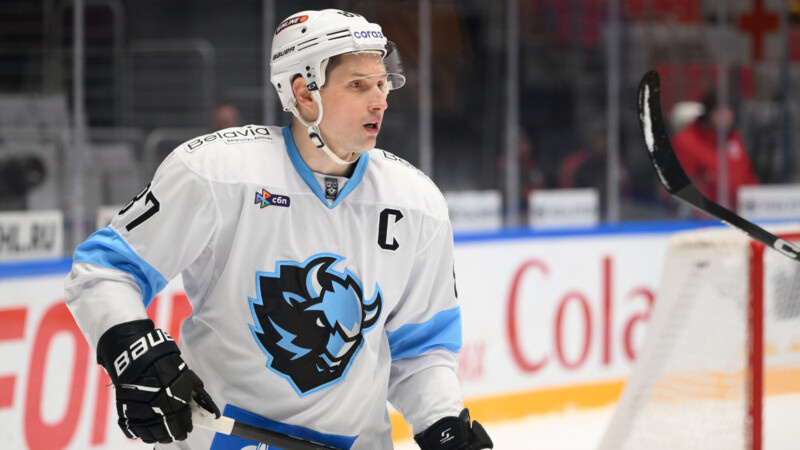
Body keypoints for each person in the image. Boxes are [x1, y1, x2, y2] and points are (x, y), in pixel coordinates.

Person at [64, 9, 492, 450]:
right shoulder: (217, 172)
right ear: (304, 92)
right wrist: (132, 351)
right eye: (358, 85)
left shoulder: (416, 203)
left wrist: (444, 425)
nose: (380, 101)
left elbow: (421, 349)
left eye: (382, 83)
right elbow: (104, 270)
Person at [671, 91, 759, 207]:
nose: (726, 115)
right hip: (704, 211)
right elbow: (679, 184)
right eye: (720, 110)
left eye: (729, 110)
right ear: (709, 113)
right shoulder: (686, 141)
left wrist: (757, 197)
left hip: (740, 209)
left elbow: (747, 174)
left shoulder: (734, 137)